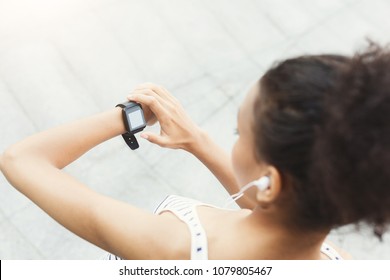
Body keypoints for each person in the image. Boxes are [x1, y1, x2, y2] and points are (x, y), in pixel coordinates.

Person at [1, 43, 389, 260]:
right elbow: (274, 208)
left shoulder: (172, 247)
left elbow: (22, 159)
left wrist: (127, 117)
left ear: (271, 181)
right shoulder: (337, 262)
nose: (233, 139)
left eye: (240, 133)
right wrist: (198, 142)